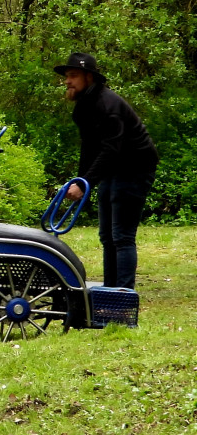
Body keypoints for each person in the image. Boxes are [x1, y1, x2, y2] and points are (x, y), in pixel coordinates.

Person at [55, 52, 159, 290]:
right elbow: (89, 148)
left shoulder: (107, 105)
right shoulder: (83, 107)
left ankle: (123, 294)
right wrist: (82, 181)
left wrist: (84, 183)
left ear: (89, 77)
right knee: (106, 236)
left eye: (73, 75)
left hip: (135, 167)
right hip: (114, 168)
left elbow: (112, 149)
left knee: (121, 236)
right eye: (66, 76)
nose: (67, 81)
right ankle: (109, 291)